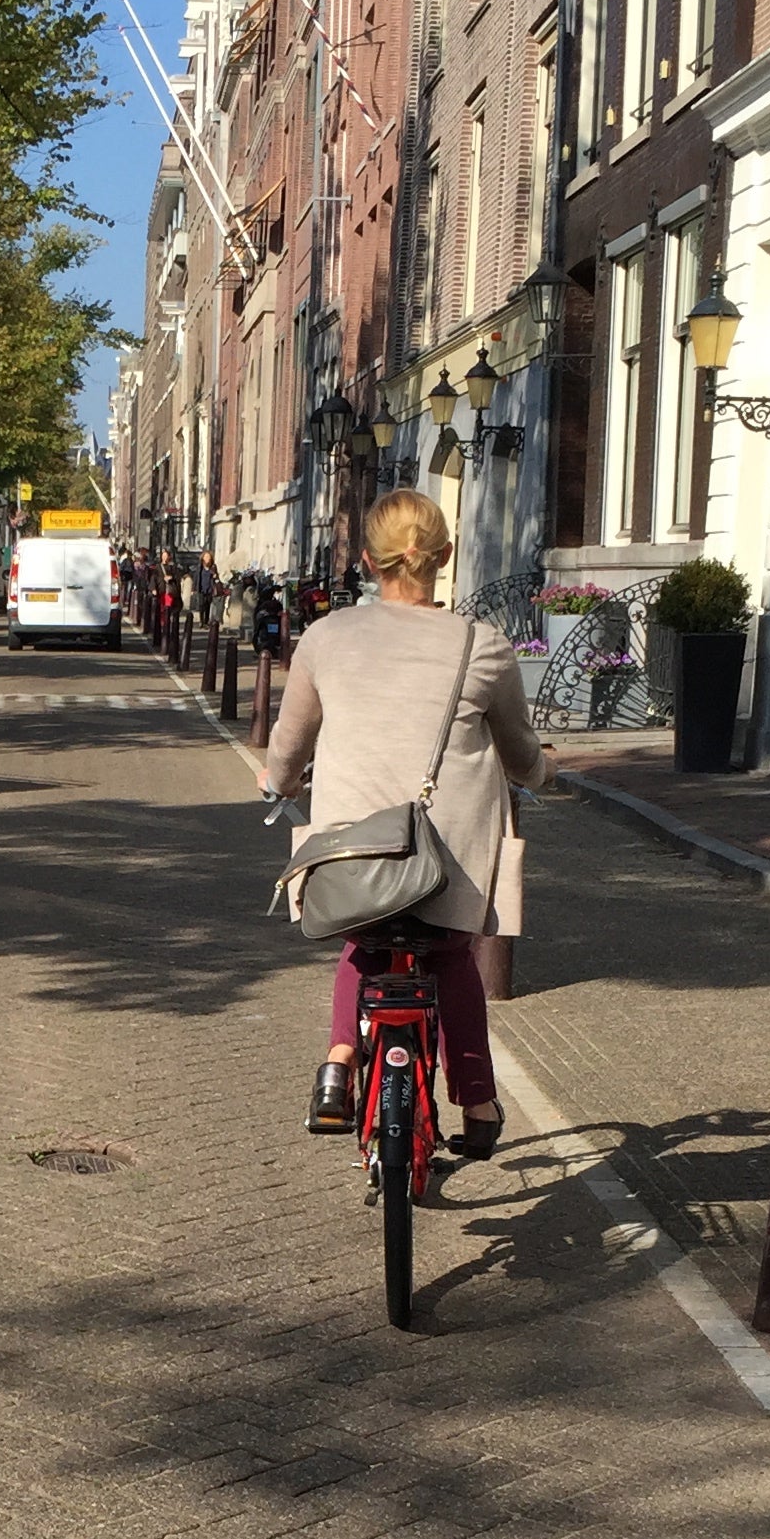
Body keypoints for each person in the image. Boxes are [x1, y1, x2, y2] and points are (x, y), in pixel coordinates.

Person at [260, 490, 548, 1156]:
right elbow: (519, 750)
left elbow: (290, 739)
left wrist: (276, 780)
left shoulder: (327, 637)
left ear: (367, 560)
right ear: (444, 557)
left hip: (351, 858)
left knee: (361, 949)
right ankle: (478, 1107)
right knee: (451, 958)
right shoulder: (484, 644)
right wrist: (544, 774)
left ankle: (337, 1065)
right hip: (448, 861)